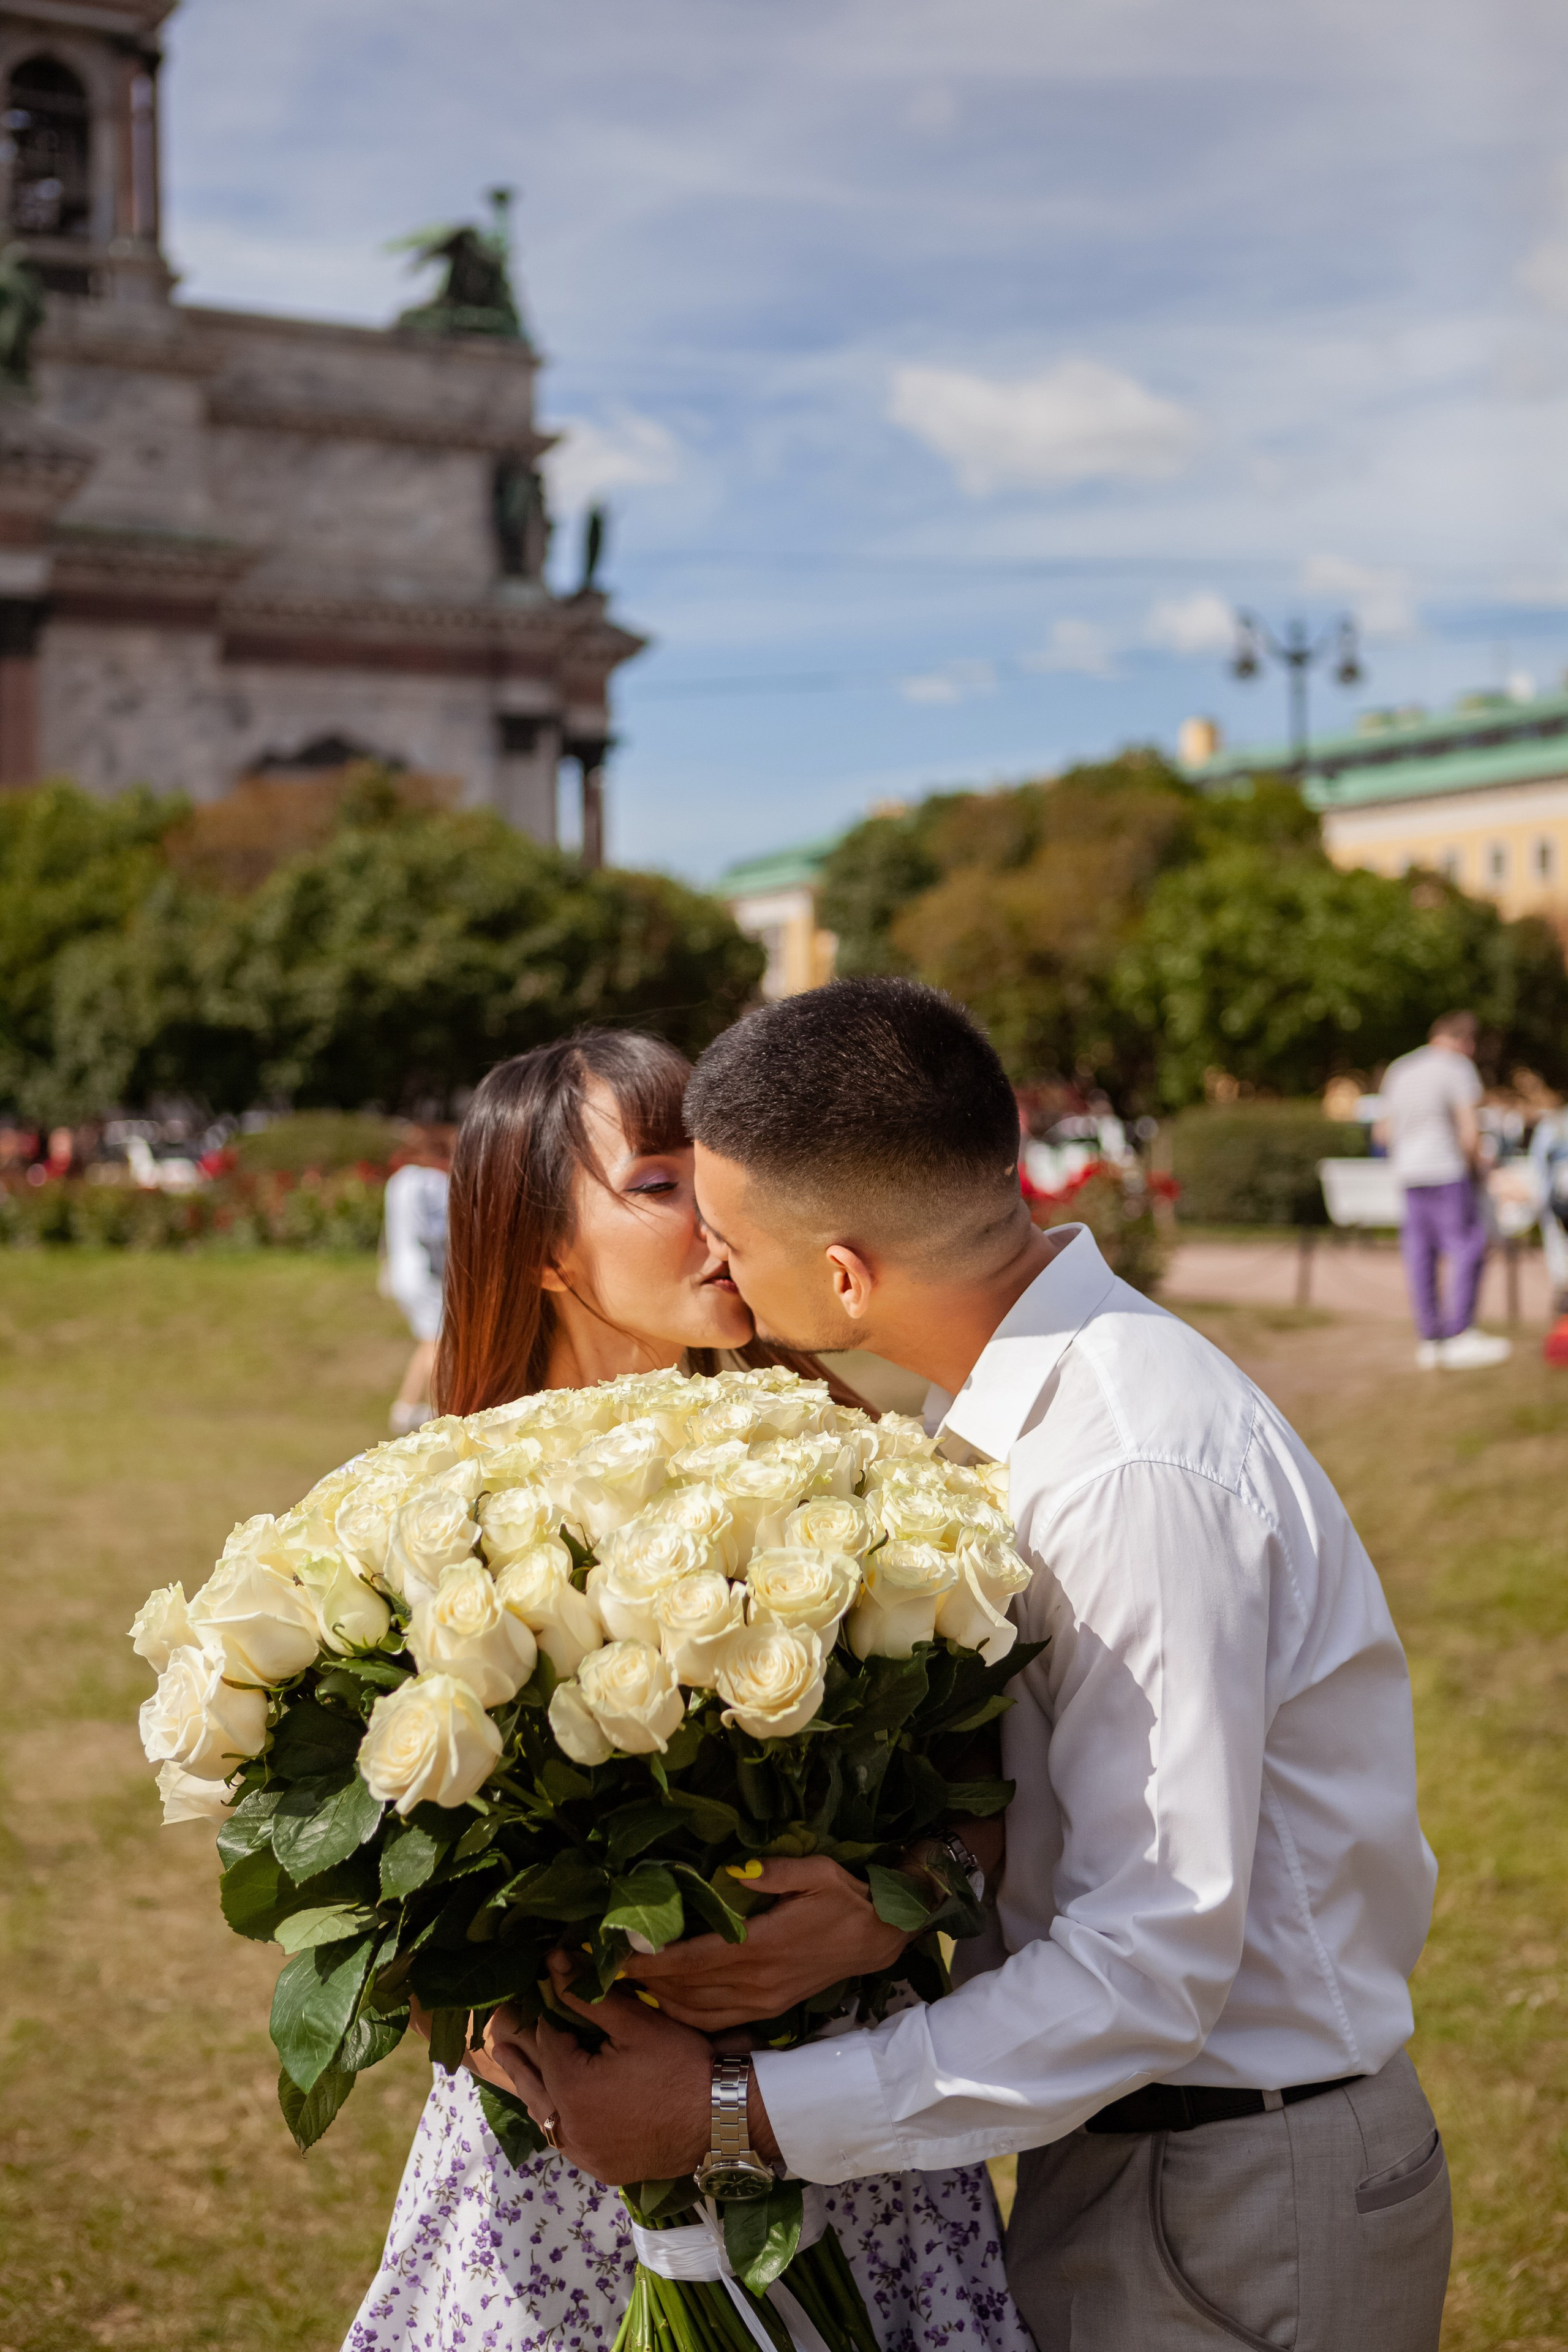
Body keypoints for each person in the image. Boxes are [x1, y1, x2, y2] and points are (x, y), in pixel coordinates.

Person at [489, 978, 1452, 2352]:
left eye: (729, 1227)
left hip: (1239, 2178)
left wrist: (731, 2116)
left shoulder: (1121, 1469)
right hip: (1138, 2154)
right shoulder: (1006, 1414)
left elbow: (1148, 1965)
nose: (710, 1255)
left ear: (838, 1274)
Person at [344, 1027, 1032, 2352]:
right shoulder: (431, 1516)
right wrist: (501, 2016)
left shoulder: (859, 1469)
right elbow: (387, 1887)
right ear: (540, 1244)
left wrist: (899, 1904)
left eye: (713, 1172)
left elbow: (994, 1781)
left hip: (843, 2126)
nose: (716, 1217)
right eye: (657, 1184)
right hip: (565, 2165)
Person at [1378, 1011, 1510, 1370]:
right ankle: (1461, 1332)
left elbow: (1383, 1133)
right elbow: (1470, 1132)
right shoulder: (1457, 1068)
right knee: (1468, 1246)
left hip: (1409, 1174)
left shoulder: (1400, 1069)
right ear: (1466, 1042)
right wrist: (1478, 1169)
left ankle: (1430, 1339)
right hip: (1445, 1170)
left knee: (1420, 1254)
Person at [381, 1126, 455, 1434]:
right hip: (424, 1271)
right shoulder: (432, 1182)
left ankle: (407, 1407)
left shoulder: (399, 1180)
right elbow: (438, 1230)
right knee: (439, 1340)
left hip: (400, 1270)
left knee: (429, 1340)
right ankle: (441, 1407)